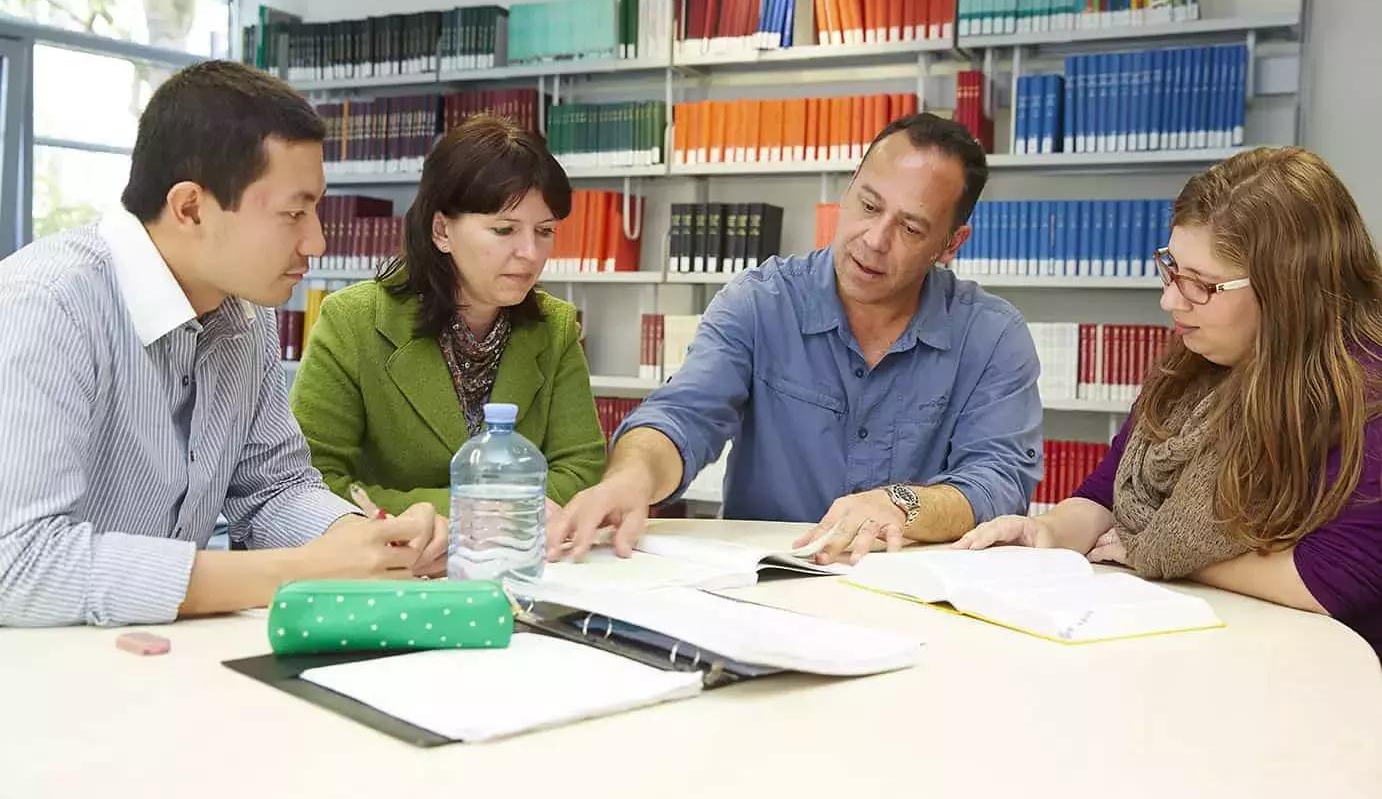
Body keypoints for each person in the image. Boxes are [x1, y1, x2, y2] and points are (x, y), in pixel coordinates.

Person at [0, 61, 440, 628]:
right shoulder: (44, 306)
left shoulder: (244, 316)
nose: (317, 241)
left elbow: (273, 489)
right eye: (293, 212)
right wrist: (297, 571)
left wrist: (366, 542)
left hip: (160, 662)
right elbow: (17, 564)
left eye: (317, 209)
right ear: (190, 208)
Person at [550, 112, 1043, 565]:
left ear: (950, 245)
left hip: (913, 590)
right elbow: (683, 414)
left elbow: (998, 481)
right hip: (768, 584)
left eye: (910, 228)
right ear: (849, 189)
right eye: (868, 205)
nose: (874, 239)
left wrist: (902, 504)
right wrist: (630, 478)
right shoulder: (759, 302)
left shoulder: (993, 336)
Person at [958, 147, 1382, 655]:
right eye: (1171, 268)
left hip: (1318, 678)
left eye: (1201, 285)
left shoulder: (1364, 395)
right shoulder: (1192, 363)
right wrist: (1045, 534)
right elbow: (1106, 495)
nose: (1171, 301)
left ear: (1290, 288)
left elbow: (1331, 581)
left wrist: (1160, 553)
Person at [290, 115, 605, 525]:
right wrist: (469, 512)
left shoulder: (555, 326)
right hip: (389, 566)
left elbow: (581, 469)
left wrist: (496, 516)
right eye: (504, 229)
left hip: (518, 560)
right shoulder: (353, 321)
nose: (530, 252)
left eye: (544, 231)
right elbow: (315, 481)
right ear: (441, 230)